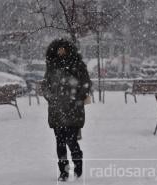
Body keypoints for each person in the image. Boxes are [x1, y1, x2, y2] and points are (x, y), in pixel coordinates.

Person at [41, 38, 91, 181]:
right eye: (59, 49)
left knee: (71, 140)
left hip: (73, 111)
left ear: (68, 50)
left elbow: (85, 84)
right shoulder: (52, 67)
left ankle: (78, 166)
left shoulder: (78, 65)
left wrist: (76, 98)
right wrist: (52, 98)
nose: (61, 51)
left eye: (63, 49)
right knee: (60, 142)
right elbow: (45, 86)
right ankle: (63, 171)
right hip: (57, 111)